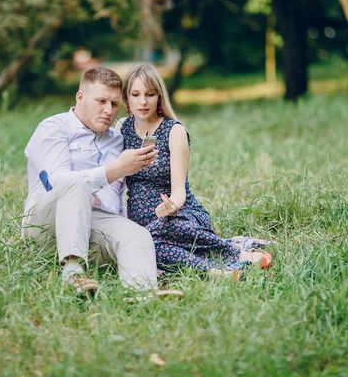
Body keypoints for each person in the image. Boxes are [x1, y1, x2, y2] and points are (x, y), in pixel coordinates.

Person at [22, 66, 182, 299]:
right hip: (46, 227)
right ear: (81, 97)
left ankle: (142, 291)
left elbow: (115, 200)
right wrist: (114, 170)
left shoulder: (116, 139)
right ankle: (72, 273)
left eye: (114, 104)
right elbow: (57, 182)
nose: (108, 111)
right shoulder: (54, 128)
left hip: (91, 228)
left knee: (136, 234)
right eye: (101, 101)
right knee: (77, 186)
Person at [118, 63, 272, 279]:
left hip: (180, 215)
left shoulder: (174, 131)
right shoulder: (122, 129)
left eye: (150, 94)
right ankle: (218, 269)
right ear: (126, 98)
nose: (142, 101)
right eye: (136, 94)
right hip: (140, 221)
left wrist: (170, 208)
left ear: (159, 97)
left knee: (157, 234)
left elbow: (180, 191)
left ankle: (235, 254)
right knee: (150, 244)